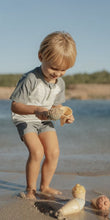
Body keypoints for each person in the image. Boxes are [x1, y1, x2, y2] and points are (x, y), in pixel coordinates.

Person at [10, 31, 77, 199]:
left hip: (44, 120)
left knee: (53, 152)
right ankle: (30, 190)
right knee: (37, 152)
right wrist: (36, 110)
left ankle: (45, 186)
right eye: (54, 68)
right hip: (25, 119)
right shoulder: (30, 78)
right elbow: (15, 106)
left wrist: (65, 116)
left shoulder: (59, 83)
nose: (57, 73)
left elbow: (57, 107)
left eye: (63, 70)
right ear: (41, 56)